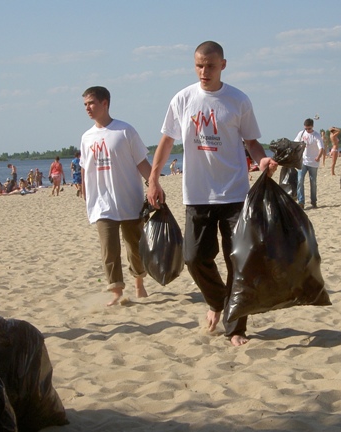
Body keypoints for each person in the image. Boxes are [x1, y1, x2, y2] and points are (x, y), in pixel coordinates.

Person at [146, 40, 276, 347]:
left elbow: (252, 142)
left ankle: (236, 328)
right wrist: (153, 178)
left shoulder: (237, 100)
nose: (204, 72)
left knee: (238, 261)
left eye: (211, 66)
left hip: (234, 193)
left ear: (223, 65)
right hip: (197, 193)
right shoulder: (183, 99)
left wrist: (262, 161)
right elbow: (166, 142)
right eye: (199, 66)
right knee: (194, 258)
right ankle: (219, 302)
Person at [80, 85, 151, 306]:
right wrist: (84, 190)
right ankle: (117, 291)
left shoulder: (125, 131)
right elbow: (85, 168)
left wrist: (153, 184)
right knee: (108, 249)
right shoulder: (87, 137)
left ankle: (139, 283)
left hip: (129, 200)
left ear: (105, 103)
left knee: (135, 248)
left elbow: (141, 162)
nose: (87, 108)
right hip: (102, 203)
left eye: (91, 103)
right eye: (85, 105)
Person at [294, 118, 324, 209]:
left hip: (313, 163)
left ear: (312, 127)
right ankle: (301, 201)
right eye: (306, 129)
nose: (308, 130)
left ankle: (313, 201)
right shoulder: (301, 134)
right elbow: (295, 144)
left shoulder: (316, 135)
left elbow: (321, 148)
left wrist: (318, 157)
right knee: (300, 181)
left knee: (313, 182)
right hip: (303, 161)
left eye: (309, 128)